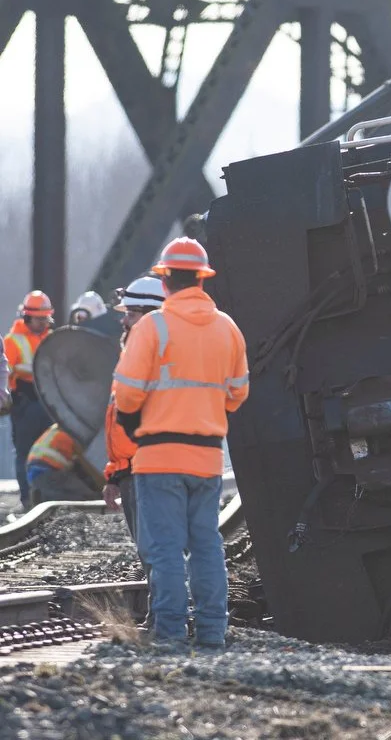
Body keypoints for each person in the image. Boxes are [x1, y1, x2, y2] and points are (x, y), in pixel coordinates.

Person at [113, 238, 249, 650]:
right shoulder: (228, 328)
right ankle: (211, 631)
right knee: (207, 543)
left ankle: (170, 631)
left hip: (158, 457)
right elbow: (237, 394)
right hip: (207, 458)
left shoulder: (153, 327)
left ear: (166, 279)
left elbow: (128, 395)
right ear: (202, 279)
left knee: (165, 548)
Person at [103, 275, 167, 540]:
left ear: (150, 314)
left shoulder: (155, 354)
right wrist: (114, 475)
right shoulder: (134, 353)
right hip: (133, 469)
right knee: (153, 552)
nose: (123, 320)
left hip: (148, 470)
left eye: (130, 313)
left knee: (157, 551)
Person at [4, 291, 55, 510]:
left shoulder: (52, 339)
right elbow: (5, 373)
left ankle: (46, 498)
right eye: (39, 318)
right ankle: (28, 500)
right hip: (24, 405)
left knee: (49, 453)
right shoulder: (12, 341)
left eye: (46, 318)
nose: (43, 322)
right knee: (25, 453)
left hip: (49, 406)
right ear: (27, 317)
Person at [26, 423, 99, 505]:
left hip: (33, 471)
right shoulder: (75, 435)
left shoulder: (55, 429)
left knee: (55, 492)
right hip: (48, 470)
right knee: (86, 496)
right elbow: (89, 467)